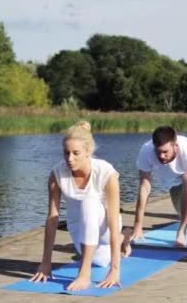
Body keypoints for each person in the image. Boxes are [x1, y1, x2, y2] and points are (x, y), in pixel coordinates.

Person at [30, 121, 131, 291]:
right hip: (79, 228)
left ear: (88, 152)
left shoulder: (106, 172)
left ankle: (84, 274)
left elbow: (113, 221)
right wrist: (46, 263)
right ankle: (125, 237)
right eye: (66, 153)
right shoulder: (57, 174)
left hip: (105, 225)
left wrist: (115, 270)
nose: (70, 159)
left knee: (89, 201)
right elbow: (53, 219)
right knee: (100, 262)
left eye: (76, 153)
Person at [131, 126, 187, 247]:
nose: (161, 156)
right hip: (173, 183)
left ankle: (182, 231)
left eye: (165, 152)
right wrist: (137, 225)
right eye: (158, 152)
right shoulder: (146, 151)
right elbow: (144, 186)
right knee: (182, 212)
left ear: (175, 146)